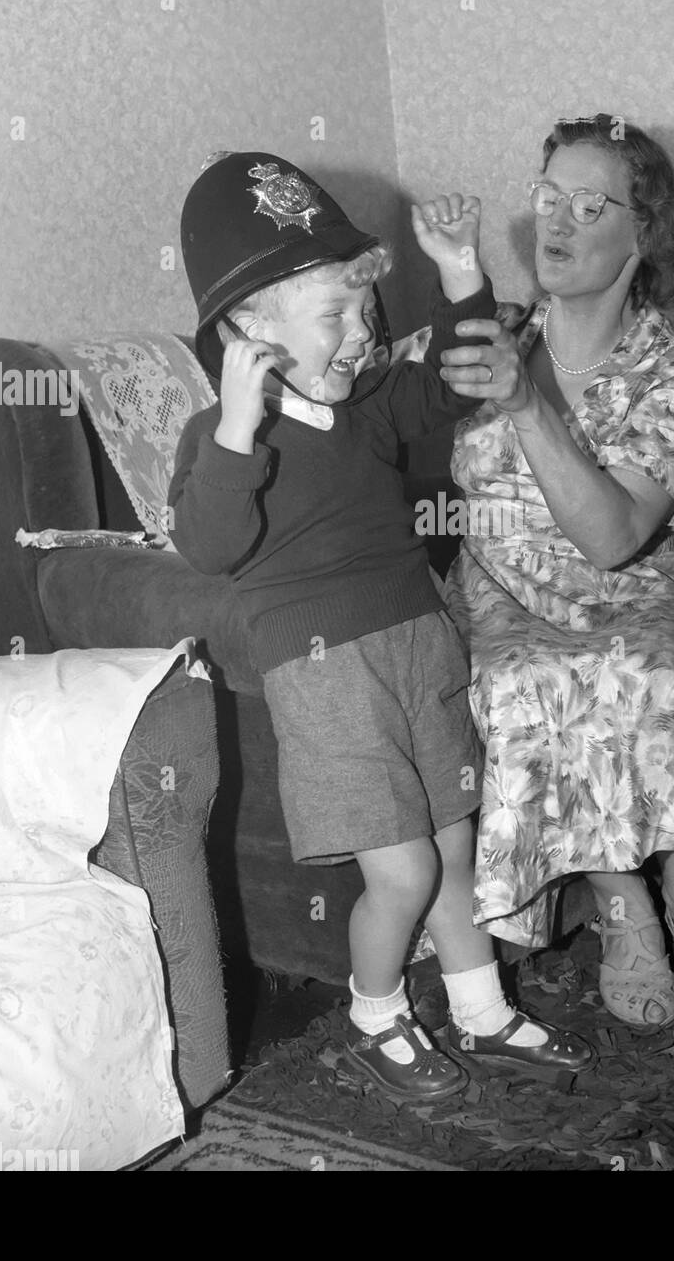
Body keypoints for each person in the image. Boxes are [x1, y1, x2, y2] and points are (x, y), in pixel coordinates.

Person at [167, 151, 592, 1101]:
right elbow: (208, 546)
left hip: (416, 644)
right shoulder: (221, 440)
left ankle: (481, 1013)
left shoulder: (364, 407)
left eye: (364, 309)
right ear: (246, 336)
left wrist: (457, 273)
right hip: (324, 679)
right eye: (334, 316)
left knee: (451, 851)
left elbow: (458, 377)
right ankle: (375, 1014)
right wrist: (235, 429)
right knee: (399, 872)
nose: (362, 334)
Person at [437, 115, 674, 1030]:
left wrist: (522, 403)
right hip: (502, 590)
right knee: (527, 682)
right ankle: (621, 909)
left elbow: (614, 536)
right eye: (547, 196)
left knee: (646, 672)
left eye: (588, 204)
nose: (555, 220)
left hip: (636, 589)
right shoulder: (488, 336)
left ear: (646, 235)